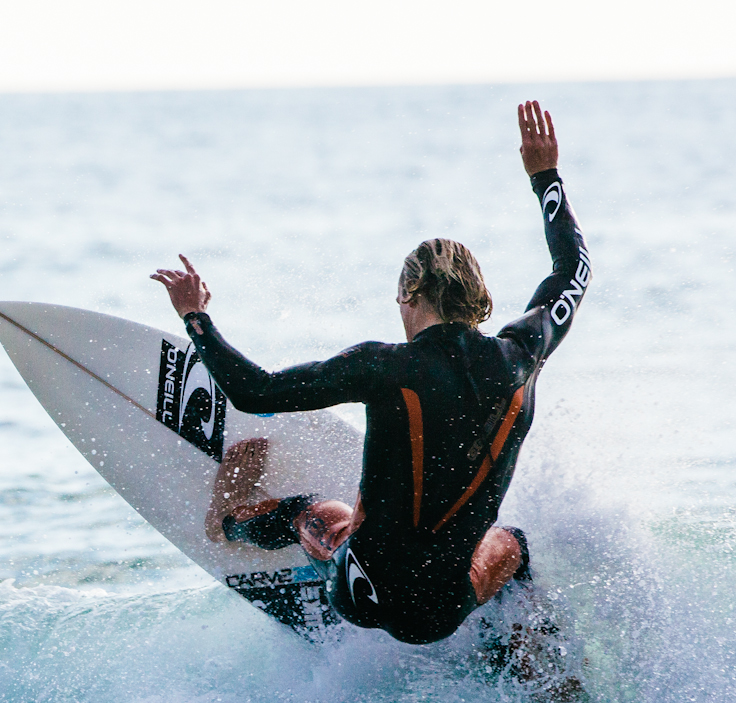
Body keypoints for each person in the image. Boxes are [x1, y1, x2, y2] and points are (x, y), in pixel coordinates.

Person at [150, 100, 588, 645]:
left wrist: (196, 318)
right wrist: (545, 175)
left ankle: (228, 523)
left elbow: (251, 391)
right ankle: (532, 666)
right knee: (511, 546)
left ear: (409, 294)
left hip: (361, 593)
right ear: (475, 299)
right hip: (442, 612)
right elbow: (573, 269)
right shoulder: (524, 353)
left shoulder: (384, 366)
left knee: (311, 512)